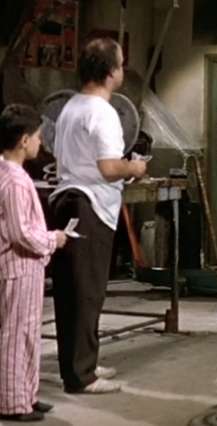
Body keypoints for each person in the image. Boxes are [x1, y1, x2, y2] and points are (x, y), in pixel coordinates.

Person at [50, 38, 147, 394]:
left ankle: (81, 364)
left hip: (66, 199)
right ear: (110, 72)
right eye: (120, 64)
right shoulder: (103, 112)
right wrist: (134, 167)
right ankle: (81, 376)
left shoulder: (71, 106)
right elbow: (108, 167)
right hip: (88, 204)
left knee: (72, 291)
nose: (123, 70)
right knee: (87, 292)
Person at [0, 104, 67, 422]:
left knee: (27, 332)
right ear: (24, 140)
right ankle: (13, 402)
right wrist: (53, 239)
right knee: (16, 334)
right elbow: (21, 232)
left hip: (25, 267)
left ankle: (27, 393)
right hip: (18, 267)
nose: (41, 142)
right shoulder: (13, 180)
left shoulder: (9, 173)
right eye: (38, 136)